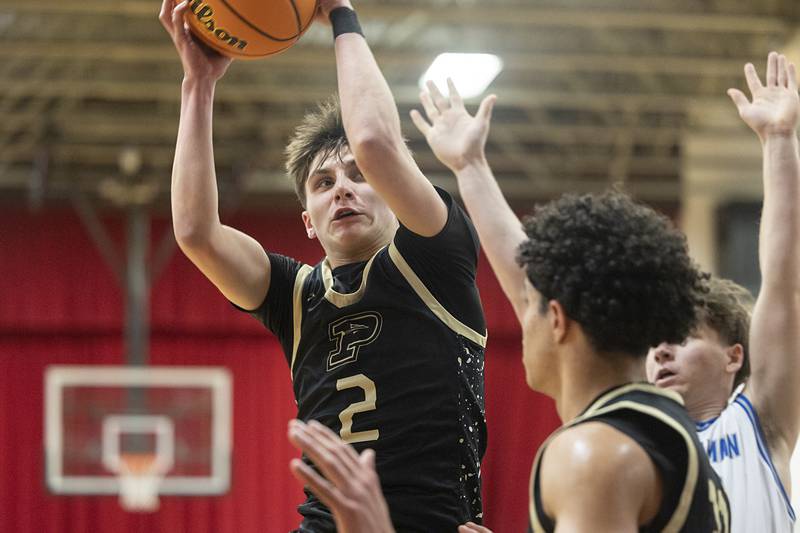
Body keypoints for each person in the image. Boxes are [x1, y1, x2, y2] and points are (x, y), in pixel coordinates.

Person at [289, 79, 732, 532]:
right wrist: (469, 165)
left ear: (557, 320)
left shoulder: (593, 454)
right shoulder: (668, 429)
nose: (523, 312)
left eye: (531, 305)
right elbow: (529, 271)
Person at [159, 0, 488, 530]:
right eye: (323, 184)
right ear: (308, 221)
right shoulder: (295, 295)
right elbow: (196, 232)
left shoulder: (435, 255)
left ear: (392, 190)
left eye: (359, 176)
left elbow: (376, 141)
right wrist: (198, 84)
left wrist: (341, 14)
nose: (343, 191)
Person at [646, 52, 800, 533]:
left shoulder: (759, 419)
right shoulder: (633, 453)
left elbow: (783, 281)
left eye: (684, 337)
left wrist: (778, 140)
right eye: (654, 343)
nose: (662, 352)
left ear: (735, 356)